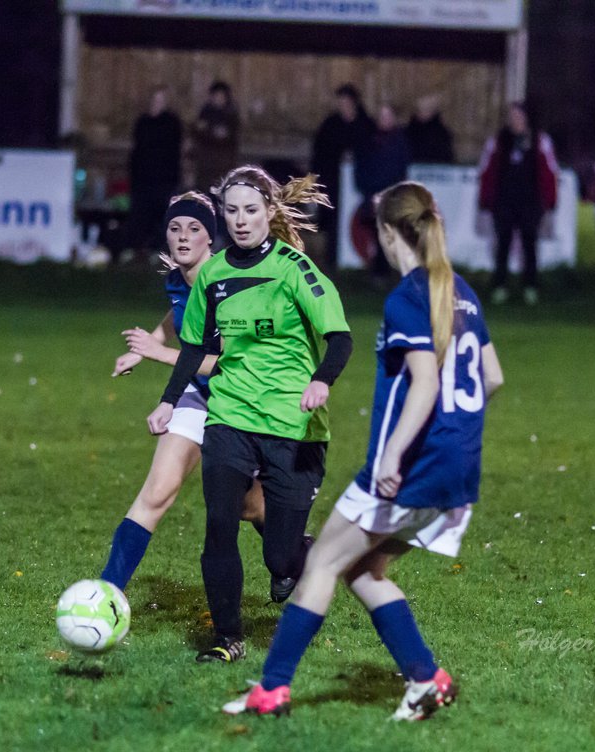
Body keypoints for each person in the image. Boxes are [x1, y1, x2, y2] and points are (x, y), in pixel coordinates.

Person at [222, 180, 504, 721]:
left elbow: (423, 384)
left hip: (411, 467)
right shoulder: (461, 290)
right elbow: (490, 377)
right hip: (458, 472)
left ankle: (272, 690)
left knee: (321, 566)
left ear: (385, 232)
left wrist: (395, 456)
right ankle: (427, 678)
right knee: (364, 570)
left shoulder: (408, 297)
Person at [146, 166, 353, 664]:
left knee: (278, 556)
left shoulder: (295, 269)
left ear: (269, 213)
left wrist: (321, 379)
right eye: (233, 211)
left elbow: (340, 337)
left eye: (251, 211)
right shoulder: (214, 275)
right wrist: (169, 400)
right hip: (231, 414)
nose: (241, 221)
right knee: (220, 521)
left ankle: (306, 561)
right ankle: (228, 637)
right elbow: (195, 346)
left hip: (294, 424)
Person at [99, 192, 266, 593]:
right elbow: (177, 320)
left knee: (252, 507)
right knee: (156, 493)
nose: (183, 237)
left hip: (240, 401)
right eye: (175, 229)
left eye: (194, 229)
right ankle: (105, 593)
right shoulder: (179, 278)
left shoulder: (226, 285)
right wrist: (145, 350)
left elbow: (228, 363)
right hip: (197, 397)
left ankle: (296, 553)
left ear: (210, 237)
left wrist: (158, 353)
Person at [477, 101, 559, 306]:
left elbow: (550, 172)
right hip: (503, 202)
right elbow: (486, 171)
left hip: (530, 202)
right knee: (502, 245)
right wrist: (485, 200)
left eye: (519, 116)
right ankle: (499, 286)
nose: (515, 120)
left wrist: (550, 201)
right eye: (512, 116)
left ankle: (530, 287)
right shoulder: (497, 141)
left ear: (526, 118)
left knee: (529, 244)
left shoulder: (540, 140)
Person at [310, 84, 375, 265]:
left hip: (359, 182)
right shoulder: (330, 125)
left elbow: (371, 150)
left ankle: (360, 260)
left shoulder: (365, 125)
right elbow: (320, 153)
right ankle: (332, 259)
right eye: (340, 102)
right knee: (332, 220)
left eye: (346, 102)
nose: (343, 105)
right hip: (333, 182)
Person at [124, 86, 184, 258]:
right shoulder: (142, 122)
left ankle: (159, 250)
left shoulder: (172, 123)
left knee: (163, 216)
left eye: (161, 100)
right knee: (140, 215)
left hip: (165, 179)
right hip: (143, 178)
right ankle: (137, 248)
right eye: (155, 100)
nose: (157, 103)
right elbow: (137, 150)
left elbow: (174, 152)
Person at [354, 104, 413, 275]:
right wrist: (367, 187)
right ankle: (379, 270)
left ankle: (386, 269)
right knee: (376, 232)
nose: (384, 120)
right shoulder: (370, 139)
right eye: (381, 116)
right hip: (372, 194)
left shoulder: (399, 141)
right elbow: (362, 166)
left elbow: (399, 169)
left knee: (389, 232)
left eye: (387, 116)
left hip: (389, 194)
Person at [191, 81, 240, 197]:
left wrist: (210, 131)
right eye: (216, 96)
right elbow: (199, 131)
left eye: (221, 96)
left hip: (223, 167)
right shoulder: (205, 113)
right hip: (205, 166)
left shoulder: (231, 115)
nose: (218, 99)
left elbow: (227, 137)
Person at [405, 95, 455, 165]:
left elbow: (446, 156)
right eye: (420, 110)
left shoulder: (441, 133)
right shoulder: (409, 130)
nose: (423, 113)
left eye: (427, 109)